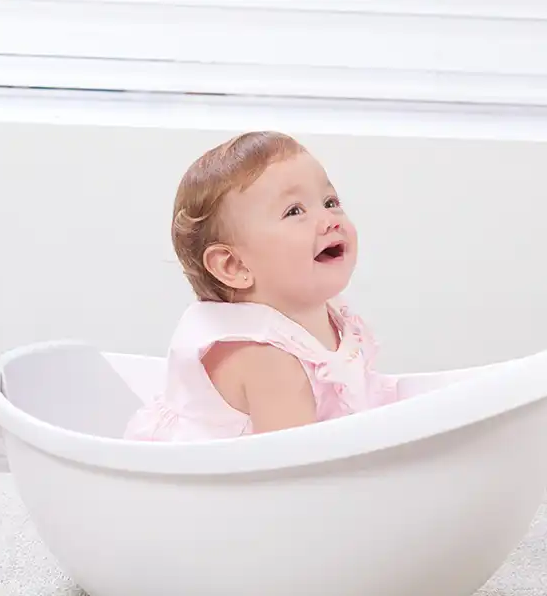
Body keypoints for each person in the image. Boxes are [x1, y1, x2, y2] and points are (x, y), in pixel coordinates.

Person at [124, 131, 400, 441]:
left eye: (330, 202)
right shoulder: (268, 360)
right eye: (294, 211)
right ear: (234, 266)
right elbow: (294, 465)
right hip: (222, 472)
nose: (330, 220)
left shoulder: (318, 310)